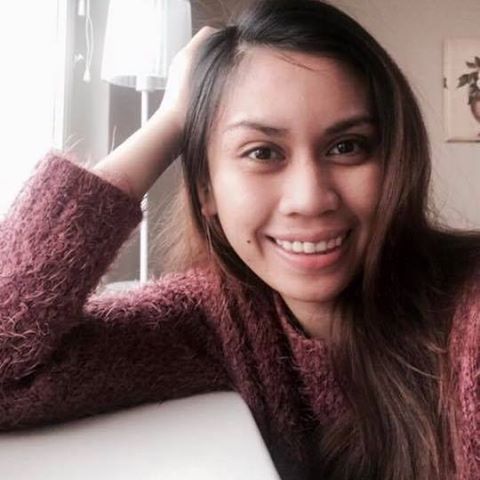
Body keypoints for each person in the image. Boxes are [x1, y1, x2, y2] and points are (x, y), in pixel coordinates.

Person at [0, 0, 478, 479]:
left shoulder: (466, 311)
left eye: (346, 146)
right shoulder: (211, 326)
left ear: (395, 162)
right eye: (262, 152)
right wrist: (169, 122)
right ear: (206, 189)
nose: (310, 199)